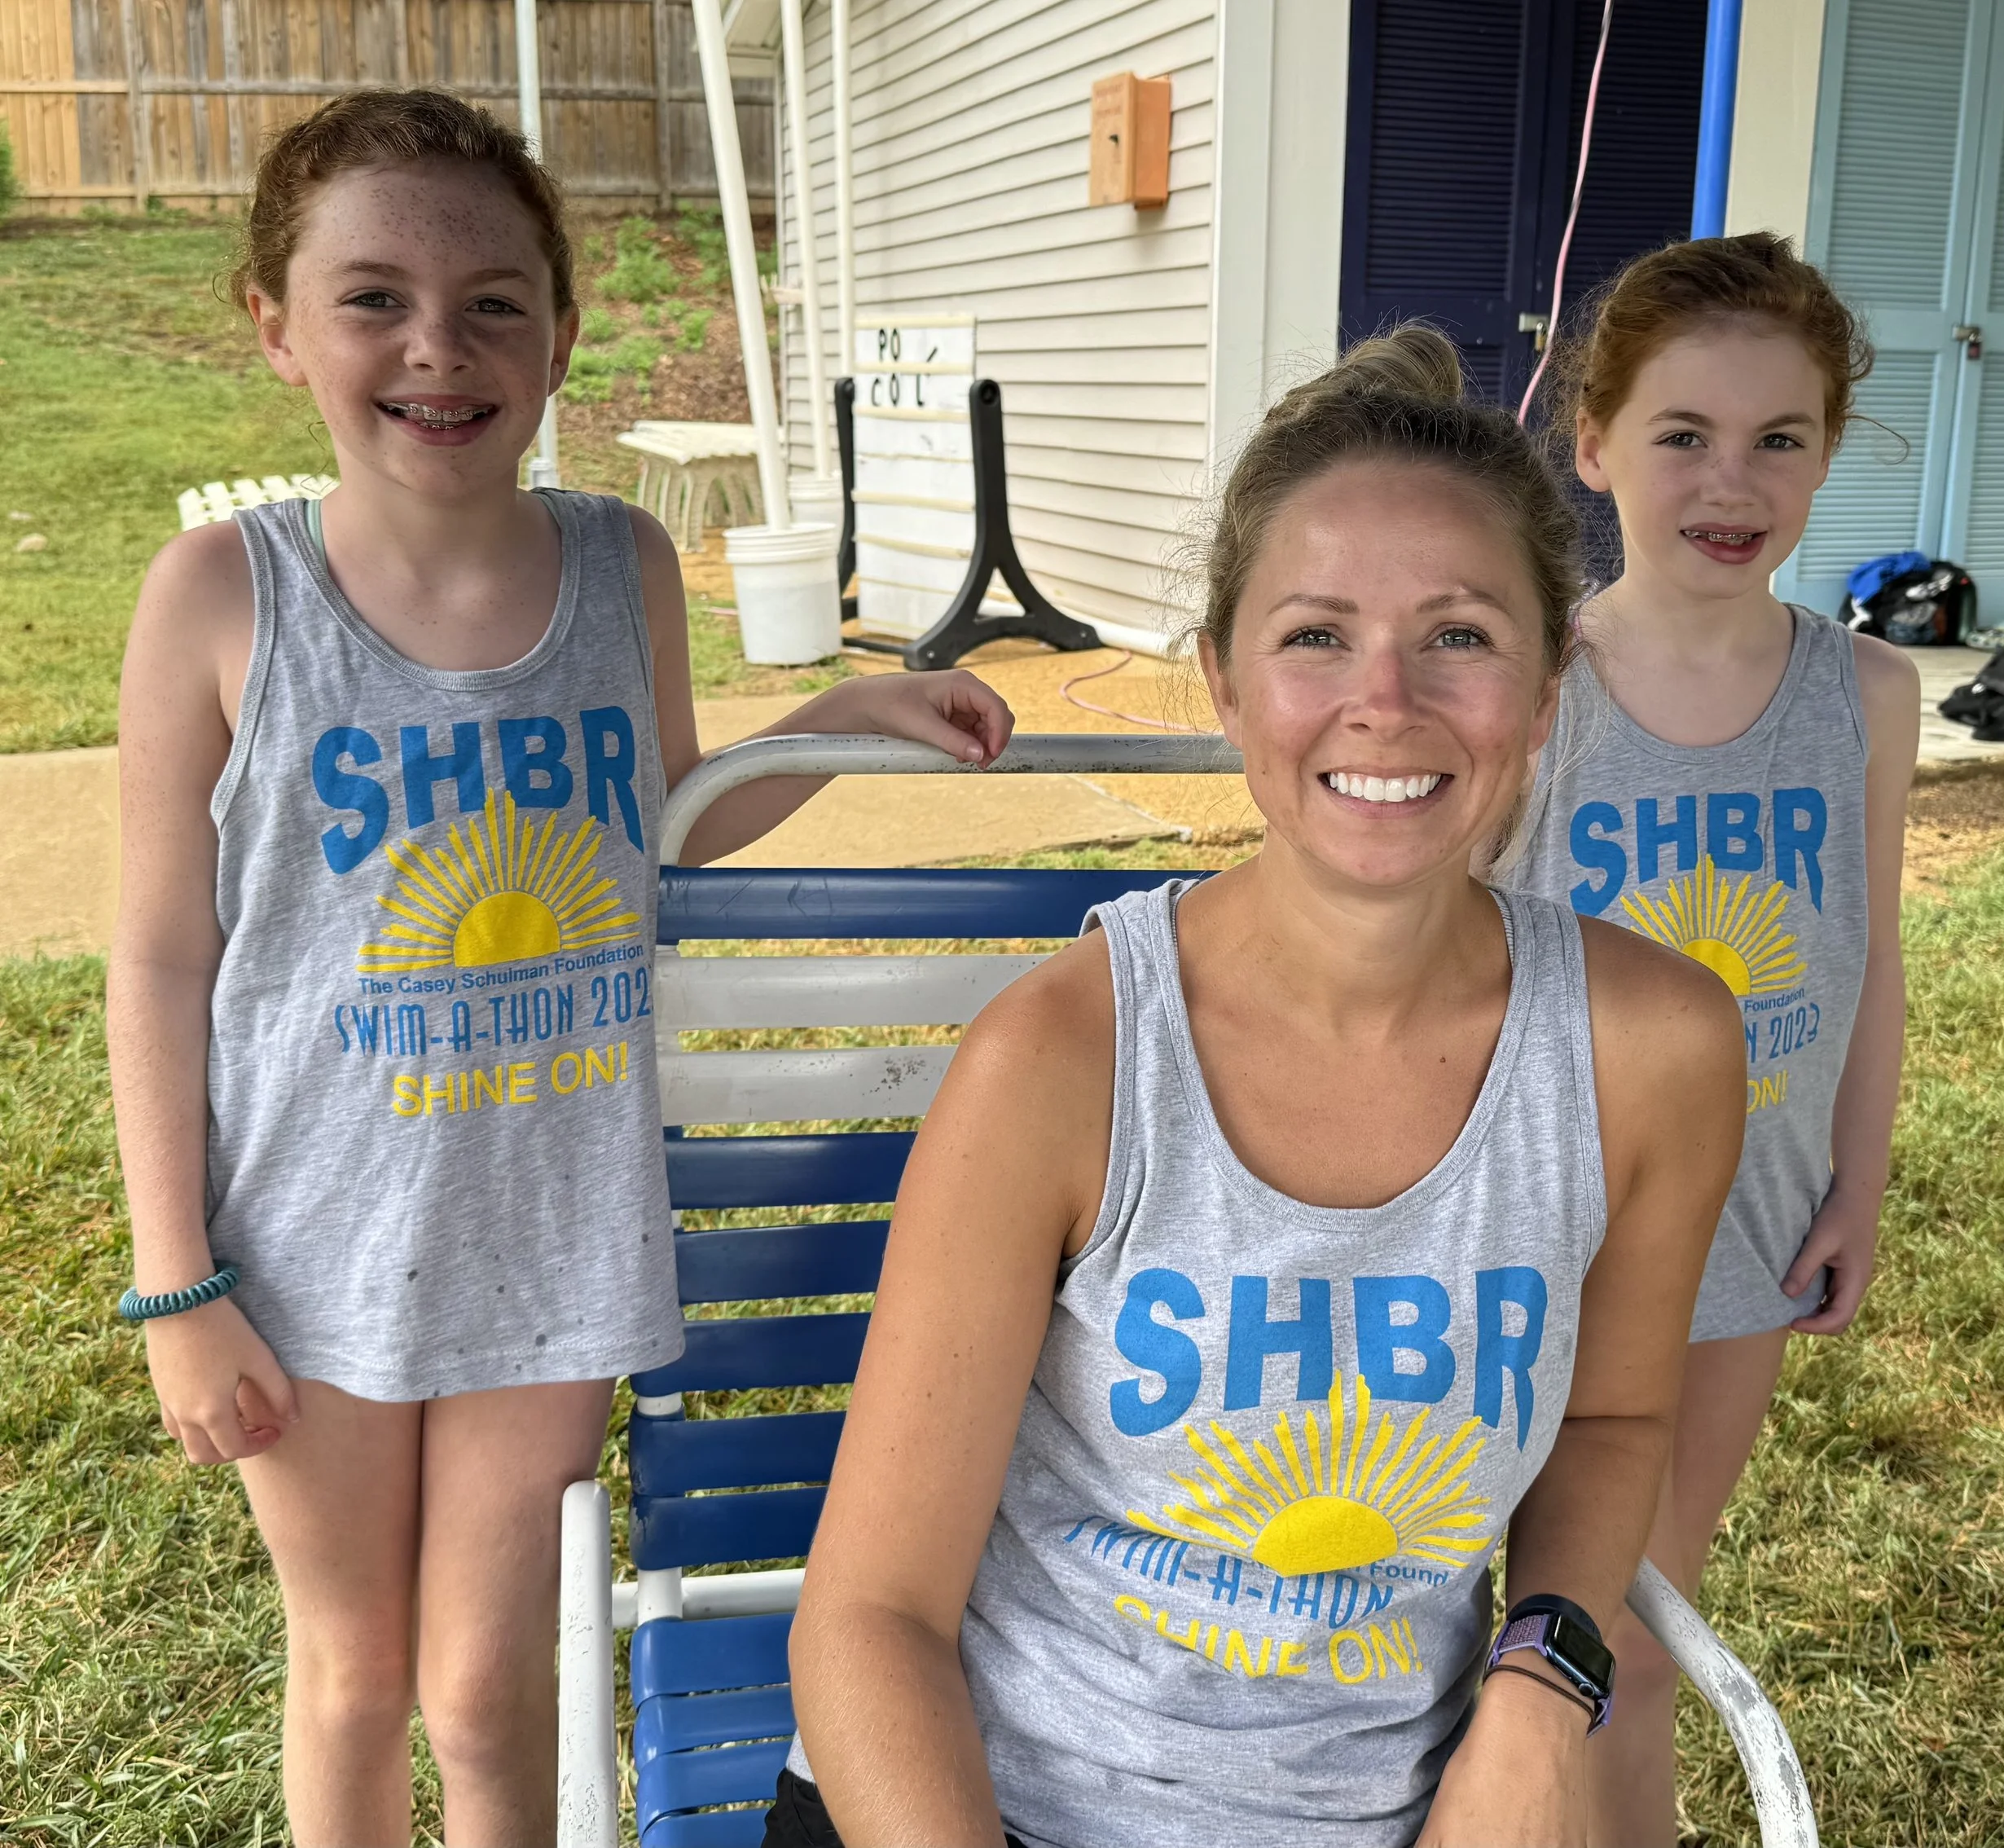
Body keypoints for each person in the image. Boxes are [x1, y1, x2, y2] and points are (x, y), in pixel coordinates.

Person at [105, 88, 1013, 1846]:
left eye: (493, 301)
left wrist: (835, 718)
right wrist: (175, 1281)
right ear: (275, 325)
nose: (436, 347)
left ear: (558, 331)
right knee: (359, 1681)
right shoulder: (218, 594)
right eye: (372, 297)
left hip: (553, 1219)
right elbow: (155, 956)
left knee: (488, 1686)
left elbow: (664, 821)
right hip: (307, 1245)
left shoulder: (621, 562)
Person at [776, 326, 1747, 1848]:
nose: (1386, 701)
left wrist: (1538, 1694)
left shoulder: (1653, 1050)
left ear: (1551, 689)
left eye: (1461, 636)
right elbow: (873, 1617)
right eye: (1314, 637)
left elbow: (1618, 1420)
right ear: (1225, 682)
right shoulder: (1064, 1062)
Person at [1505, 233, 1920, 1845]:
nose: (1726, 481)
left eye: (1778, 439)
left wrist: (1857, 1180)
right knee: (1563, 1627)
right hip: (1545, 1231)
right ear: (1595, 442)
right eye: (1680, 435)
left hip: (1742, 1231)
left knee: (1635, 1617)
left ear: (1827, 450)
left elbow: (1866, 955)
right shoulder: (1538, 682)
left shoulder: (1863, 695)